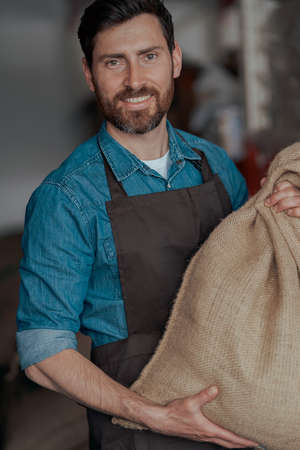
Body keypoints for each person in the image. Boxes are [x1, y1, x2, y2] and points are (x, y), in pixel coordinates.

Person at [16, 1, 300, 449]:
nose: (134, 81)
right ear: (90, 75)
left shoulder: (216, 165)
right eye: (114, 62)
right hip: (140, 431)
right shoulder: (66, 197)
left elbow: (263, 281)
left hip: (237, 412)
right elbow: (42, 352)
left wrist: (289, 216)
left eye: (149, 56)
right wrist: (157, 416)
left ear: (176, 60)